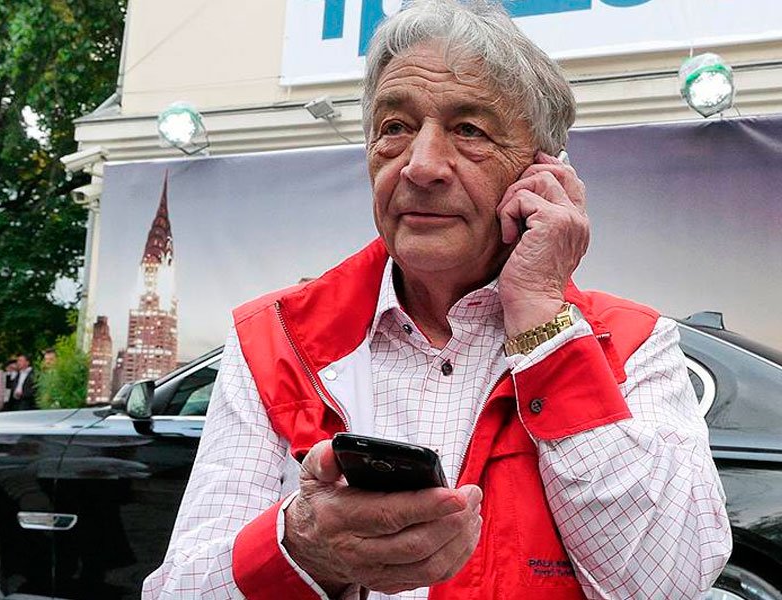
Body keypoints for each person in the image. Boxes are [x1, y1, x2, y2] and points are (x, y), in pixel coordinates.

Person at [143, 1, 731, 598]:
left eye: (469, 130)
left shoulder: (633, 344)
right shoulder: (275, 339)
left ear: (543, 174)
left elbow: (668, 583)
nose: (420, 166)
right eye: (395, 127)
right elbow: (178, 591)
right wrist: (300, 548)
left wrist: (541, 319)